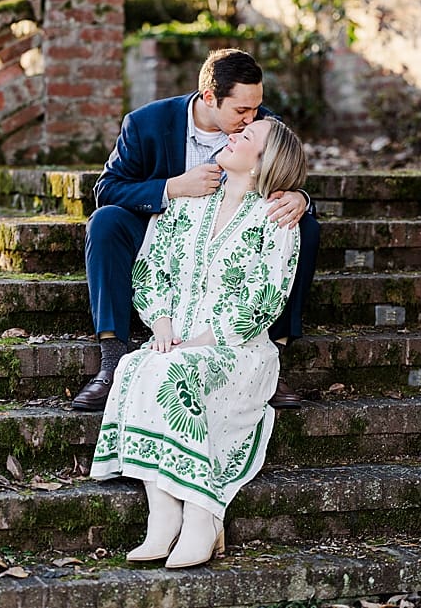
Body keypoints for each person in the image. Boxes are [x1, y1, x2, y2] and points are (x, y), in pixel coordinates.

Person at [90, 116, 305, 568]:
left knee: (175, 371)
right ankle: (164, 516)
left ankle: (203, 515)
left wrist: (202, 341)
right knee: (133, 366)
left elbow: (265, 299)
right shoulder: (191, 203)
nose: (232, 136)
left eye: (245, 137)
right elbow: (151, 268)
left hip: (237, 350)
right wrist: (163, 325)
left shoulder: (277, 217)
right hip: (177, 339)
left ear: (264, 162)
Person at [72, 48, 319, 412]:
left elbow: (284, 169)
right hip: (161, 231)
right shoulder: (146, 123)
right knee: (105, 221)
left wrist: (300, 196)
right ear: (209, 97)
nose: (252, 119)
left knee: (305, 227)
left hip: (231, 236)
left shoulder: (262, 126)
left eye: (256, 108)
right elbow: (106, 189)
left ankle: (274, 361)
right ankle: (110, 361)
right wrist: (172, 187)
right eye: (241, 111)